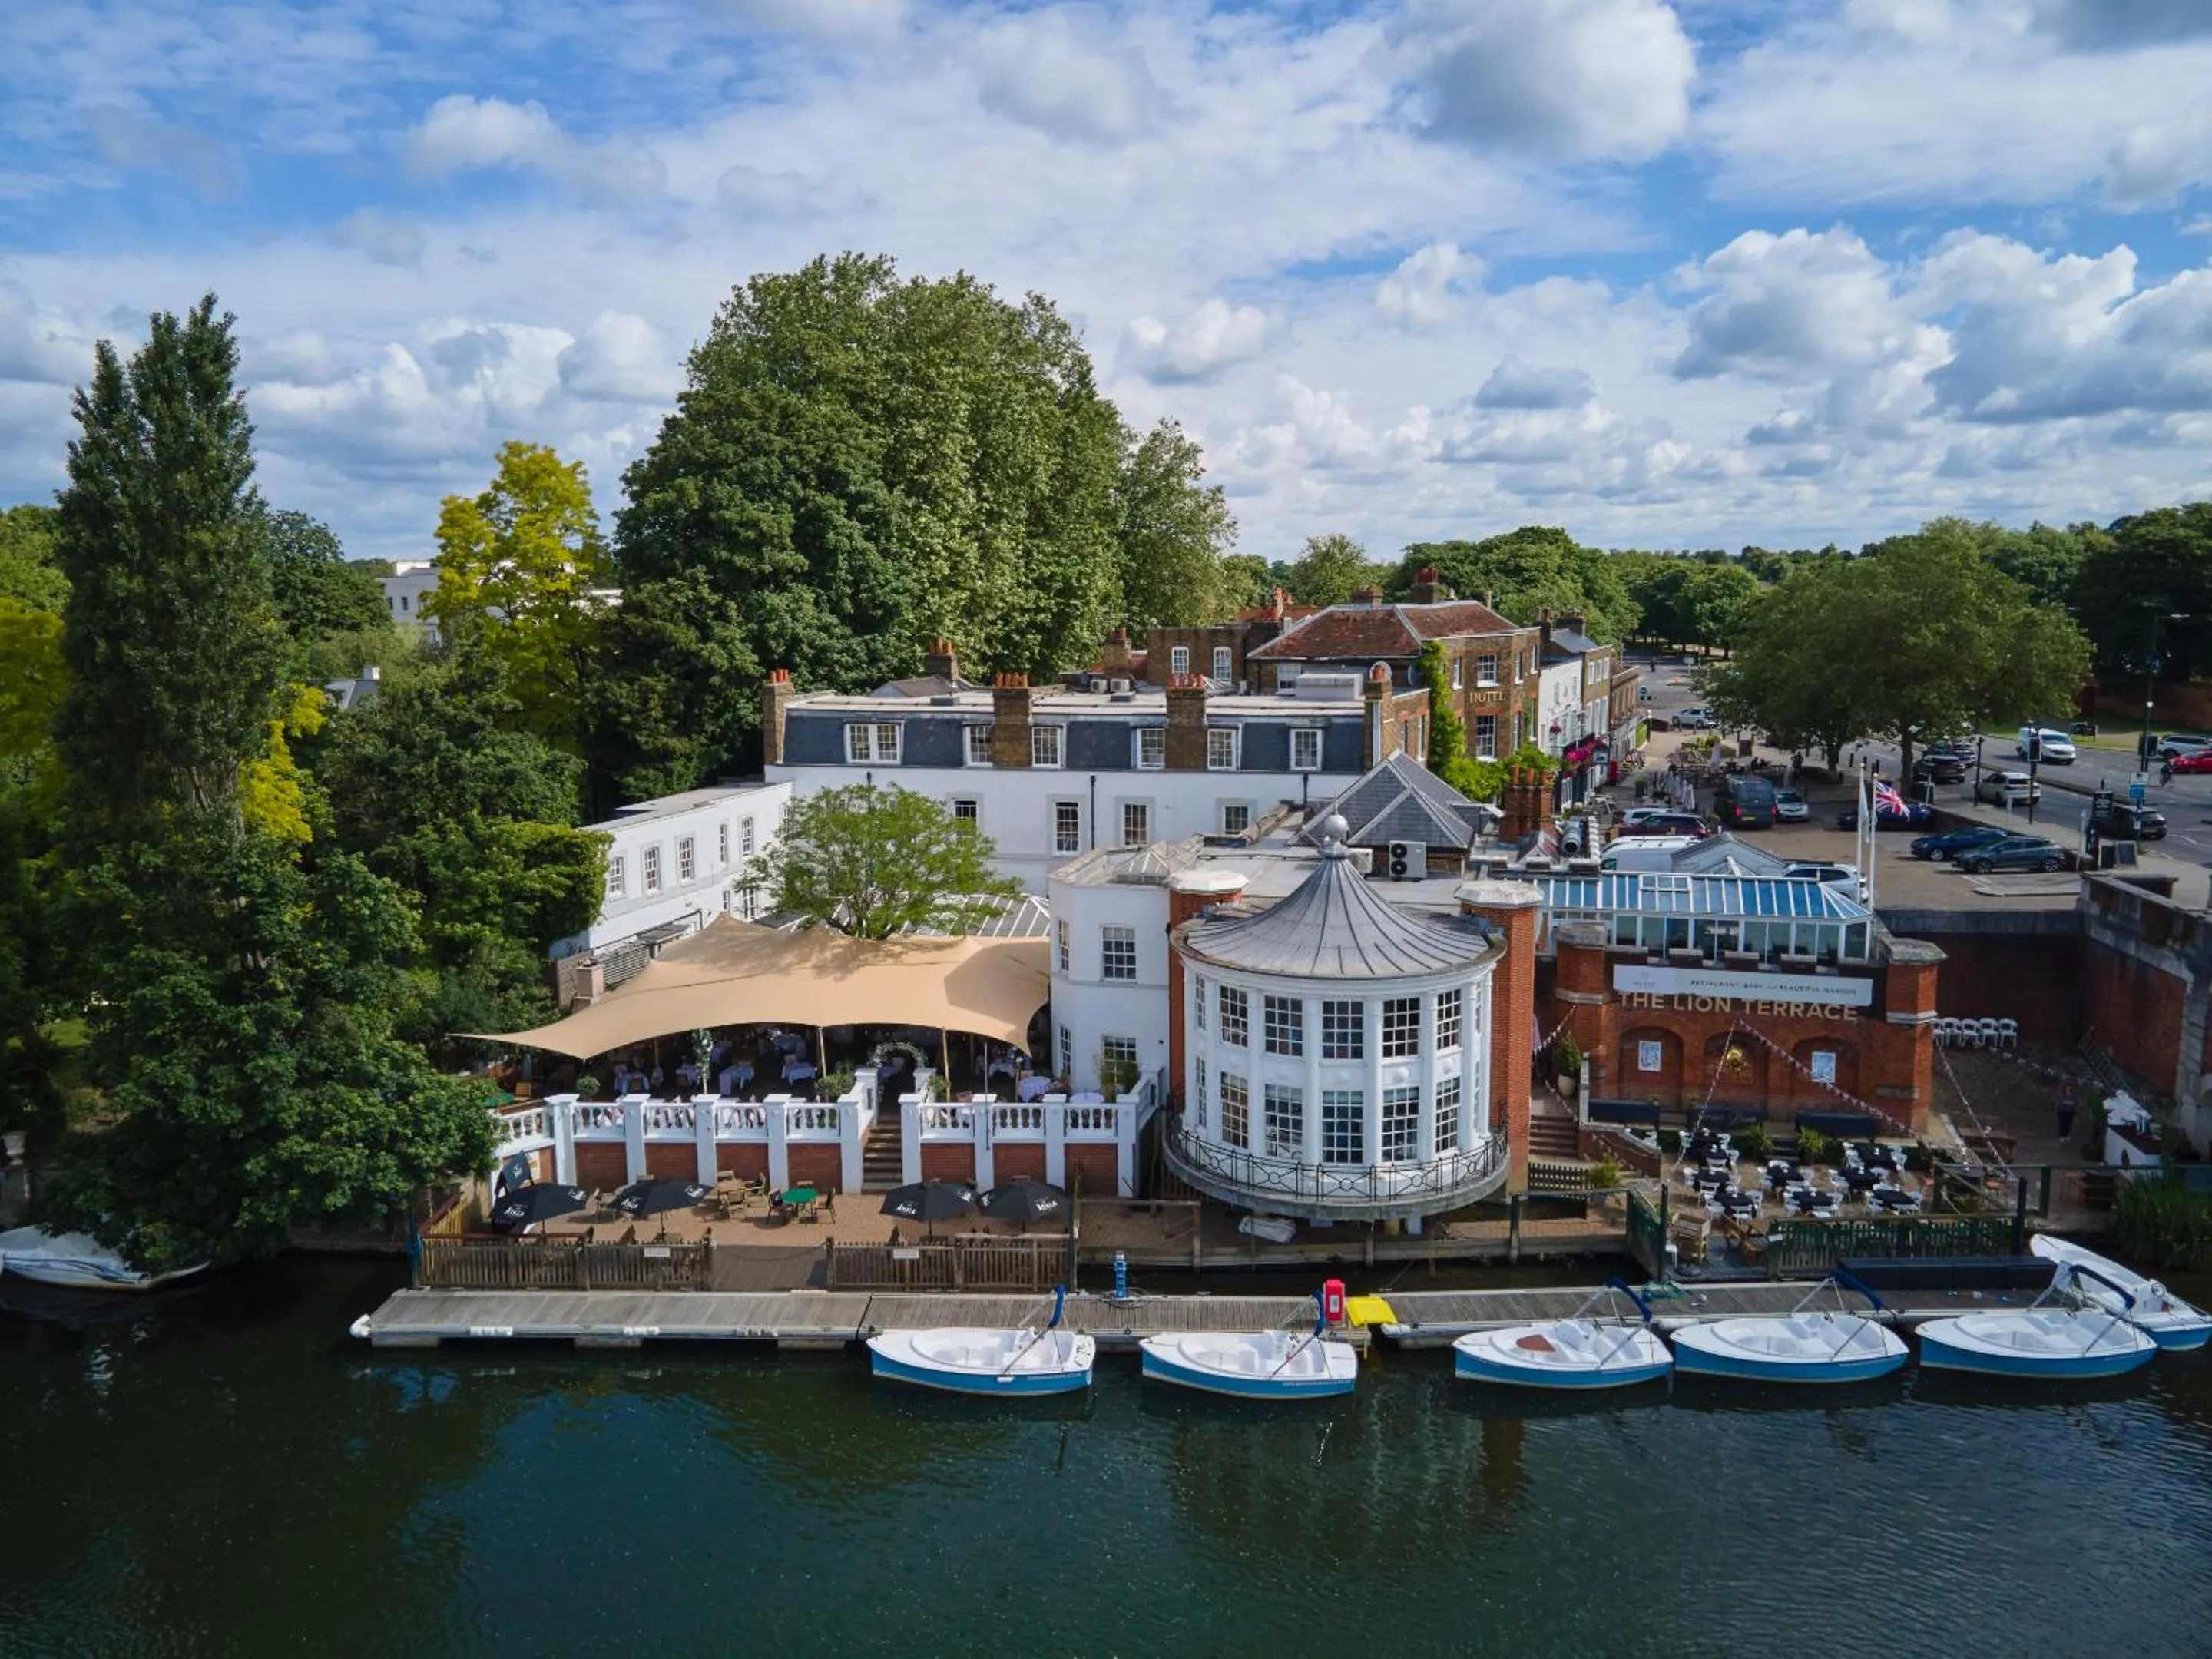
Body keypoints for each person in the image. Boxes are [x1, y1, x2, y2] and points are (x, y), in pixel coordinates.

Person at [2056, 1081, 2078, 1145]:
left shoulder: (2073, 1095)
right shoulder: (2062, 1094)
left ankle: (2067, 1135)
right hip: (2063, 1111)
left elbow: (2075, 1102)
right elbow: (2061, 1102)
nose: (2068, 1088)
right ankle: (2062, 1136)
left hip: (2070, 1112)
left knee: (2069, 1124)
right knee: (2063, 1123)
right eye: (2067, 1087)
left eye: (2069, 1087)